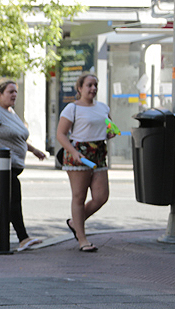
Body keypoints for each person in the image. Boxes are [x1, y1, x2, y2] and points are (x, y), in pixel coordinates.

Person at [0, 78, 46, 251]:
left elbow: (16, 136)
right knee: (12, 194)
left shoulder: (10, 112)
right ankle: (23, 237)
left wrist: (33, 150)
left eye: (16, 92)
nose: (14, 95)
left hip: (8, 165)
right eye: (10, 92)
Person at [56, 72, 117, 252]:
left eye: (95, 85)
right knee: (79, 196)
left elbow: (109, 128)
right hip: (79, 154)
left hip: (98, 153)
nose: (93, 89)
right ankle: (82, 239)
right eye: (89, 85)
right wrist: (73, 152)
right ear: (80, 88)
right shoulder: (72, 109)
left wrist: (111, 132)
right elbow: (61, 134)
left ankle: (76, 222)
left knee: (101, 197)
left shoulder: (103, 108)